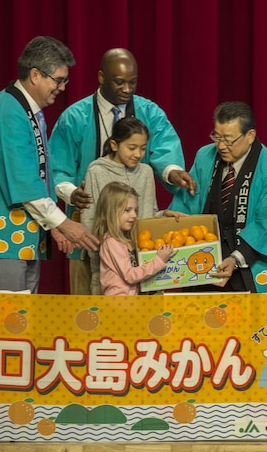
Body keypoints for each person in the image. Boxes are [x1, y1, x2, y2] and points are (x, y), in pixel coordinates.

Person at [49, 48, 196, 295]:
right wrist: (72, 193)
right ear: (101, 77)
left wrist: (171, 171)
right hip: (89, 236)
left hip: (139, 247)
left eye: (133, 82)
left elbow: (164, 149)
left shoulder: (150, 113)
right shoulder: (74, 118)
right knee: (88, 308)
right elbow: (56, 168)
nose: (127, 89)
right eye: (119, 82)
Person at [0, 36, 99, 293]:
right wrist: (63, 223)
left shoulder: (27, 110)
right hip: (0, 236)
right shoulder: (8, 111)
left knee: (22, 323)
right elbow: (22, 179)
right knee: (6, 322)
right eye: (58, 80)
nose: (62, 87)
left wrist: (52, 226)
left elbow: (38, 175)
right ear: (35, 75)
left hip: (23, 234)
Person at [169, 101, 267, 293]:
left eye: (228, 140)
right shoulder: (205, 156)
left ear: (250, 136)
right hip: (204, 262)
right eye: (216, 137)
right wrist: (174, 219)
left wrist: (235, 258)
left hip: (248, 265)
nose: (221, 146)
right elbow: (188, 202)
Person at [81, 116, 184, 294]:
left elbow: (147, 215)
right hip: (110, 271)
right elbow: (90, 219)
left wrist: (162, 216)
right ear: (115, 145)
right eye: (132, 148)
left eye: (143, 148)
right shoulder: (96, 171)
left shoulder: (146, 172)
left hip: (147, 266)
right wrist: (108, 251)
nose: (138, 154)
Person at [94, 182, 174, 295]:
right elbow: (130, 275)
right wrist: (159, 260)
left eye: (135, 210)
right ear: (110, 212)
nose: (134, 215)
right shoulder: (112, 242)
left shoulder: (123, 239)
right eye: (128, 210)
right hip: (119, 303)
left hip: (129, 301)